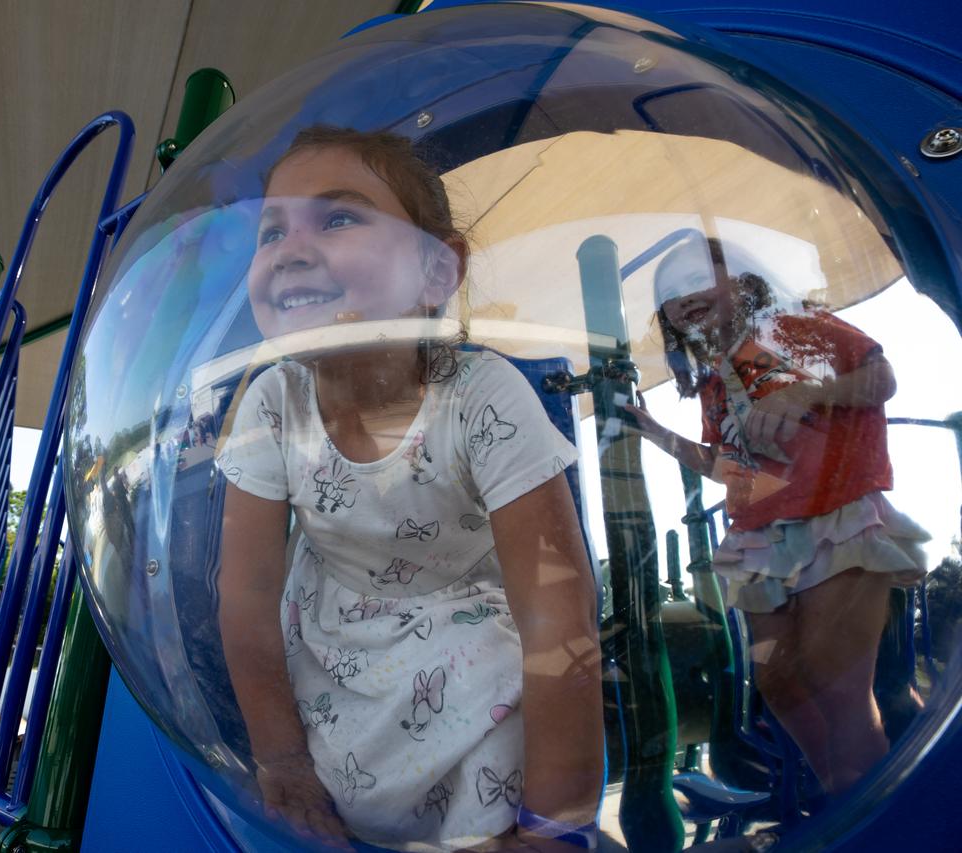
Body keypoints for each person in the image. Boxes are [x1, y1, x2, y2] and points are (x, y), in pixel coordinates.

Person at [215, 127, 604, 851]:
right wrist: (282, 760)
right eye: (272, 231)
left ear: (436, 270)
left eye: (337, 217)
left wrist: (556, 824)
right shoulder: (273, 402)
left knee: (501, 684)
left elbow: (558, 612)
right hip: (329, 640)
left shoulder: (484, 397)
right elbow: (244, 600)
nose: (291, 248)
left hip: (462, 636)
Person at [628, 235, 929, 796]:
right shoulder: (716, 382)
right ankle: (841, 785)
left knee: (833, 675)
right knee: (781, 681)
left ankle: (869, 796)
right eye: (668, 292)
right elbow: (726, 468)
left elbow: (882, 378)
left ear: (744, 282)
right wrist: (656, 433)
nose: (682, 295)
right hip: (763, 537)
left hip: (835, 519)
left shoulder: (795, 327)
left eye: (696, 278)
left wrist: (809, 395)